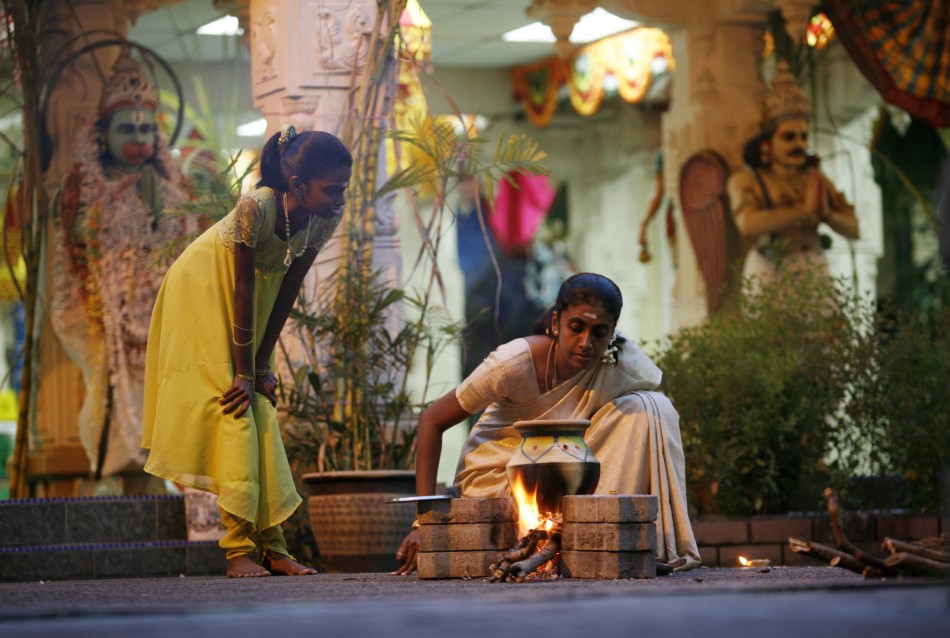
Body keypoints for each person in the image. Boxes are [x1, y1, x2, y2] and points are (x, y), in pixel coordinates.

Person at [141, 125, 352, 578]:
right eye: (331, 189)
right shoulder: (256, 206)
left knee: (262, 408)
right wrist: (241, 370)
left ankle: (274, 549)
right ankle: (238, 552)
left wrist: (260, 364)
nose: (339, 198)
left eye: (343, 189)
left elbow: (289, 289)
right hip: (202, 291)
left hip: (255, 304)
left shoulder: (323, 216)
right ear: (297, 185)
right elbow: (239, 286)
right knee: (234, 408)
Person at [392, 272, 701, 575]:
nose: (586, 343)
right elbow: (432, 420)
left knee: (650, 407)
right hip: (502, 476)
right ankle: (553, 541)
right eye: (576, 328)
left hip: (565, 471)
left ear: (612, 334)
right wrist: (425, 523)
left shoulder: (619, 363)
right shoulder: (513, 362)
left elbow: (641, 425)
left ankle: (609, 539)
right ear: (556, 323)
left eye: (599, 333)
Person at [50, 48, 201, 484]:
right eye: (126, 128)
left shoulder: (177, 190)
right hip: (112, 336)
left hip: (166, 334)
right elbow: (73, 271)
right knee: (122, 440)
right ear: (103, 135)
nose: (138, 137)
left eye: (145, 127)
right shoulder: (85, 194)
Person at [726, 62, 860, 281]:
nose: (799, 144)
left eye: (804, 137)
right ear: (767, 143)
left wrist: (826, 214)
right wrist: (804, 211)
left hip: (813, 268)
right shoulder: (747, 180)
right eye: (789, 137)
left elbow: (854, 229)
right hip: (769, 270)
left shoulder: (815, 178)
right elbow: (747, 225)